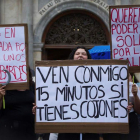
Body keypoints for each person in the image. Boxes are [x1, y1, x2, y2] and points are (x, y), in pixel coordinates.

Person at [0, 68, 36, 140]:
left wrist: (35, 108)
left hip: (29, 129)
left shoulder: (32, 85)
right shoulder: (4, 87)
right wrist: (0, 97)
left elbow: (37, 103)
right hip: (9, 131)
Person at [103, 73, 140, 140]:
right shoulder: (104, 87)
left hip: (130, 121)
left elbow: (138, 110)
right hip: (111, 121)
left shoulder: (133, 87)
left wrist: (135, 95)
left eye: (127, 75)